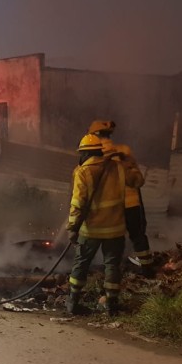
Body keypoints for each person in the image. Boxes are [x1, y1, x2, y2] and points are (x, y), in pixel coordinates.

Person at [66, 133, 144, 316]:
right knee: (112, 266)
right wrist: (130, 162)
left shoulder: (83, 172)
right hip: (115, 230)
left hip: (90, 229)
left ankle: (72, 303)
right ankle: (111, 306)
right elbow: (139, 181)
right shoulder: (118, 168)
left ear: (85, 154)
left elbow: (78, 203)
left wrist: (72, 228)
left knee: (81, 264)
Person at [87, 119, 153, 269]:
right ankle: (148, 270)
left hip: (111, 207)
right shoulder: (124, 151)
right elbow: (138, 181)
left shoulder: (93, 157)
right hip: (132, 205)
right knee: (138, 236)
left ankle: (115, 270)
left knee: (114, 239)